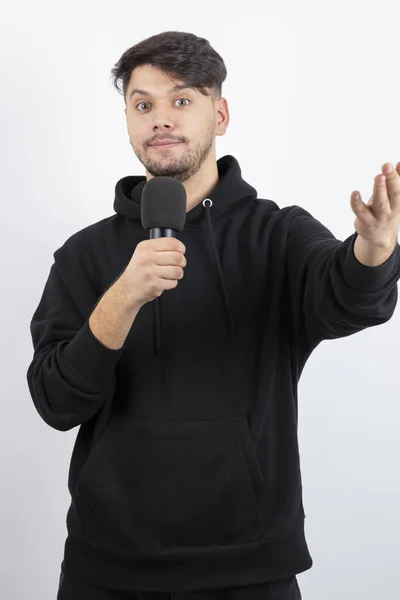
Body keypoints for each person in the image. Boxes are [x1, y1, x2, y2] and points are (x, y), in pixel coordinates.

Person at [26, 31, 400, 600]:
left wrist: (372, 251)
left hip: (250, 566)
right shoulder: (84, 255)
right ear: (127, 120)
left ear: (219, 115)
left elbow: (345, 297)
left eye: (182, 100)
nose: (161, 119)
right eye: (143, 104)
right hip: (108, 566)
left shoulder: (277, 234)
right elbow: (55, 403)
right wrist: (123, 297)